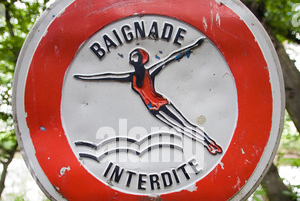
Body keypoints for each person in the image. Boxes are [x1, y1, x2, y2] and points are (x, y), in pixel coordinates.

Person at [74, 38, 222, 155]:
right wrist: (86, 77)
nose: (133, 58)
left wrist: (194, 46)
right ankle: (207, 145)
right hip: (152, 109)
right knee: (180, 129)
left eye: (135, 56)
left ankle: (210, 142)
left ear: (141, 59)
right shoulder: (130, 76)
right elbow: (108, 76)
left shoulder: (149, 72)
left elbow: (170, 58)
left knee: (185, 124)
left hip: (161, 102)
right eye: (132, 57)